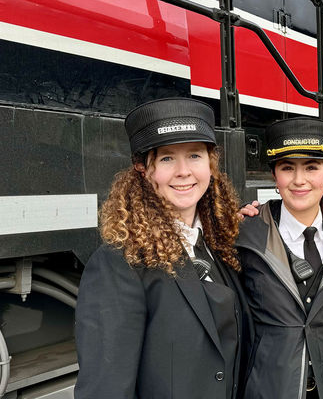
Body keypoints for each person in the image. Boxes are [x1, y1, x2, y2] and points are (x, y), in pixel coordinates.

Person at [74, 98, 251, 399]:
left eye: (195, 155)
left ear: (210, 164)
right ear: (143, 169)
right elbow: (105, 388)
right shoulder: (119, 263)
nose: (184, 171)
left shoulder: (221, 245)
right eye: (167, 158)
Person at [236, 117, 323, 399]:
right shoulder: (246, 239)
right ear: (275, 177)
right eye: (287, 168)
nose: (298, 180)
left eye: (311, 167)